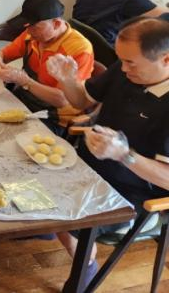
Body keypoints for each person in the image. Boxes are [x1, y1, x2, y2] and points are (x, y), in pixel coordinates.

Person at [46, 17, 169, 289]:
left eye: (131, 63)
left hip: (132, 191)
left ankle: (85, 262)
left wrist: (124, 155)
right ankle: (52, 230)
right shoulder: (125, 69)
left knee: (63, 212)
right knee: (33, 182)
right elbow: (83, 101)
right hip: (87, 164)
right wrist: (67, 80)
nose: (123, 68)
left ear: (166, 60)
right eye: (121, 60)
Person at [0, 0, 94, 133]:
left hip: (53, 116)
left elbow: (62, 100)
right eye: (27, 26)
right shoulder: (32, 34)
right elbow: (5, 55)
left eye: (35, 27)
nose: (29, 31)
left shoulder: (79, 49)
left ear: (56, 24)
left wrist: (25, 81)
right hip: (25, 98)